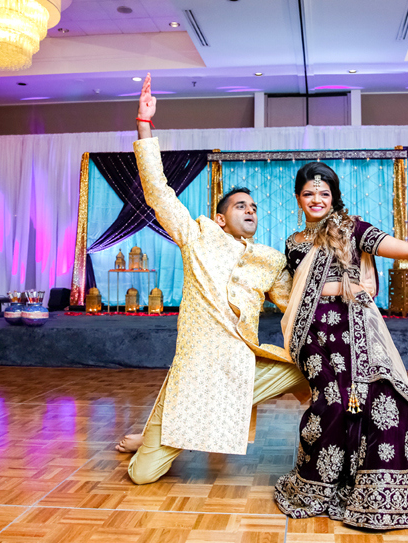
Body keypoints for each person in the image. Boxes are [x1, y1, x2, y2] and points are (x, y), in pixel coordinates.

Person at [119, 73, 309, 485]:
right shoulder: (197, 236)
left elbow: (296, 302)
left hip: (243, 368)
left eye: (255, 207)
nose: (251, 210)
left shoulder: (270, 259)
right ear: (222, 217)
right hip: (196, 371)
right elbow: (158, 191)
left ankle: (334, 443)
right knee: (143, 476)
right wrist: (144, 125)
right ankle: (158, 435)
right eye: (241, 205)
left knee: (311, 367)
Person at [274, 161, 408, 530]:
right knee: (331, 402)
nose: (316, 199)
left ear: (333, 198)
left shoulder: (351, 229)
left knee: (380, 400)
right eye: (308, 193)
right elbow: (290, 292)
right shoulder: (293, 244)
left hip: (354, 330)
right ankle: (316, 483)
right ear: (298, 198)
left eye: (324, 194)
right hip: (312, 335)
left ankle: (368, 482)